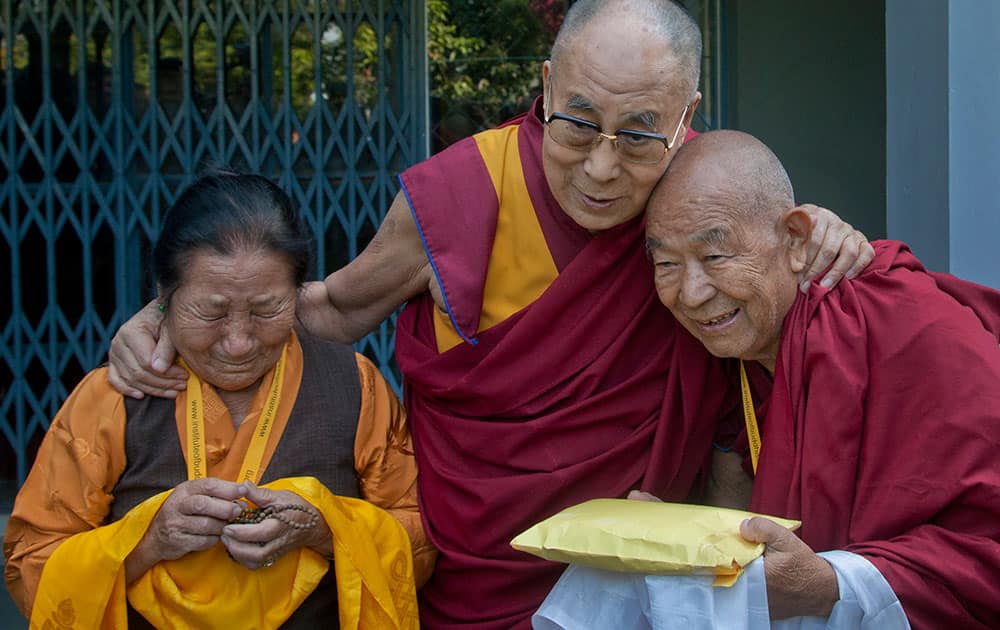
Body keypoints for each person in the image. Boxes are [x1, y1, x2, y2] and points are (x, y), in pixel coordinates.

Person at [104, 2, 875, 627]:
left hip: (642, 573)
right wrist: (180, 313)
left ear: (684, 115)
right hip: (476, 570)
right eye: (575, 123)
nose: (603, 168)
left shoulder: (697, 189)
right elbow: (335, 308)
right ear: (545, 83)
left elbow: (761, 307)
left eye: (639, 135)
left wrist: (824, 237)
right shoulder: (464, 191)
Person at [3, 172, 434, 628]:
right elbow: (30, 566)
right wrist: (148, 541)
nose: (238, 342)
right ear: (162, 297)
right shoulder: (111, 398)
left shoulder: (356, 387)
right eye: (210, 312)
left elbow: (422, 542)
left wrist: (327, 530)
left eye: (267, 309)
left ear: (300, 295)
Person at [639, 129, 1000, 628]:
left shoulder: (916, 328)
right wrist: (669, 534)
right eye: (666, 264)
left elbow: (986, 547)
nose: (693, 293)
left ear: (795, 239)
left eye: (716, 256)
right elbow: (740, 520)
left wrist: (831, 585)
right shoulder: (731, 356)